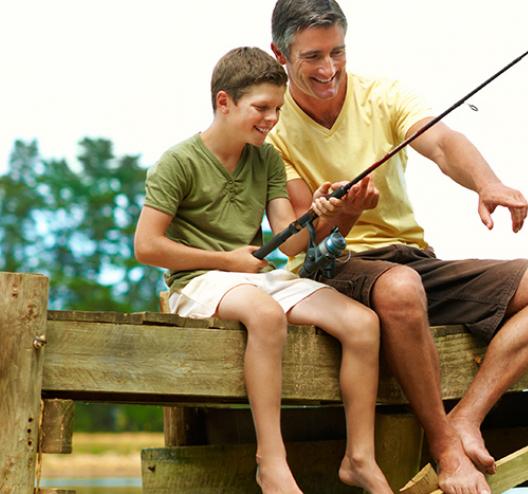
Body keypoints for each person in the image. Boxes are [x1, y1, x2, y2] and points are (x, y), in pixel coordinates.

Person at [265, 1, 528, 493]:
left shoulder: (382, 94)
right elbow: (302, 239)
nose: (328, 69)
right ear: (280, 55)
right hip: (334, 267)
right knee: (401, 287)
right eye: (312, 57)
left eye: (337, 52)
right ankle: (446, 450)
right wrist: (343, 215)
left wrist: (486, 183)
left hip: (409, 259)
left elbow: (440, 141)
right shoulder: (271, 123)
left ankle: (466, 420)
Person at [133, 46, 394, 494]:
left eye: (277, 108)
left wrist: (319, 211)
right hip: (196, 281)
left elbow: (289, 241)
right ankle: (271, 463)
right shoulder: (177, 162)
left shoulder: (267, 159)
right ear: (224, 101)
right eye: (261, 108)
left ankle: (359, 458)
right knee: (266, 314)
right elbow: (147, 246)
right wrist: (227, 260)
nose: (271, 118)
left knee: (362, 323)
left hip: (253, 278)